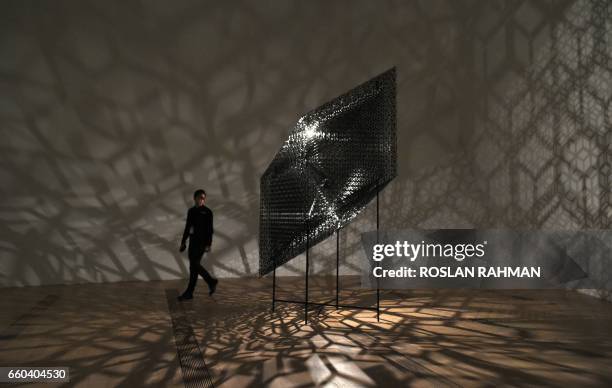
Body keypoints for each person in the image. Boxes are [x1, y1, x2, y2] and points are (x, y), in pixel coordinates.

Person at [178, 189, 218, 301]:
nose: (202, 200)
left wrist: (209, 244)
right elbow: (187, 227)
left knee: (194, 264)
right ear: (194, 198)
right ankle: (190, 293)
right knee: (193, 267)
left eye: (203, 198)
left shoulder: (208, 212)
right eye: (200, 197)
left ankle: (210, 281)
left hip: (202, 243)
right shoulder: (191, 211)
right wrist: (183, 242)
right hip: (192, 242)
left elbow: (210, 230)